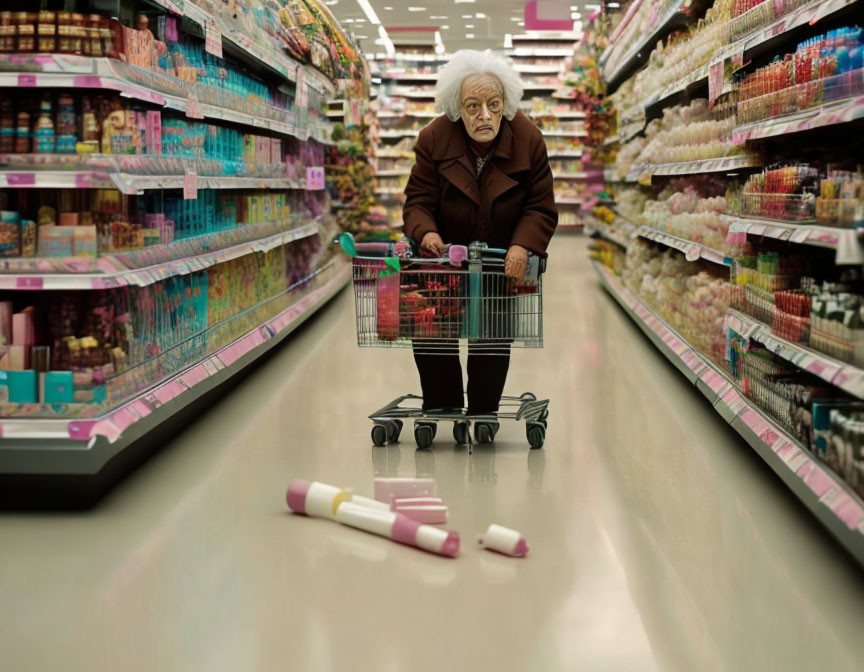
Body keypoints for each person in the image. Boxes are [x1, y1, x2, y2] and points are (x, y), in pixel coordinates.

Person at [402, 49, 557, 421]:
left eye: (493, 103)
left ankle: (484, 412)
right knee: (433, 332)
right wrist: (426, 233)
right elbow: (417, 201)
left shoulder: (528, 139)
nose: (484, 115)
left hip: (499, 261)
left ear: (505, 103)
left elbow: (540, 205)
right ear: (456, 108)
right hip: (444, 263)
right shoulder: (433, 138)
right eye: (472, 106)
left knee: (492, 332)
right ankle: (442, 407)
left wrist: (522, 244)